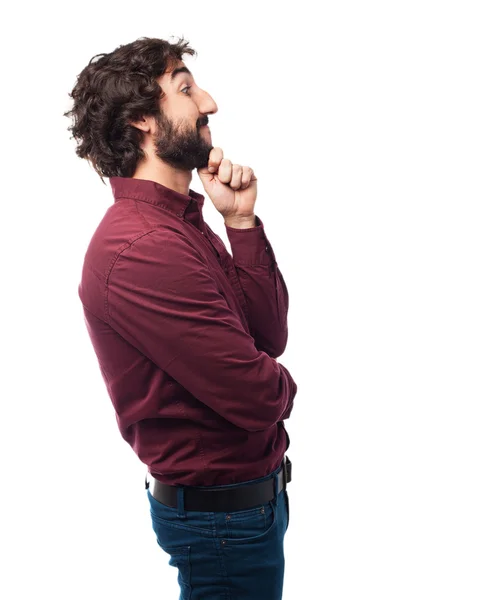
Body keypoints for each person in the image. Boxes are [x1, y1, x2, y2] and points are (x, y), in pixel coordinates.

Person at [64, 36, 297, 600]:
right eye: (186, 89)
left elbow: (269, 336)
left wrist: (239, 224)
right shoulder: (143, 248)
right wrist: (283, 384)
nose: (209, 104)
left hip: (244, 512)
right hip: (224, 527)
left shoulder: (180, 224)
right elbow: (258, 395)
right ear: (143, 120)